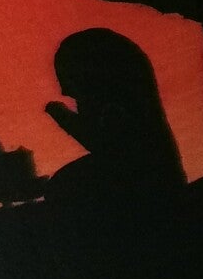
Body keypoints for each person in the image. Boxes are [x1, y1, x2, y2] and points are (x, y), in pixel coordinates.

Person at [44, 29, 186, 207]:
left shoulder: (115, 114)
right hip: (151, 181)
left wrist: (64, 118)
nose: (65, 91)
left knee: (62, 187)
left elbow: (109, 148)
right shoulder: (119, 107)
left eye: (68, 80)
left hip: (147, 187)